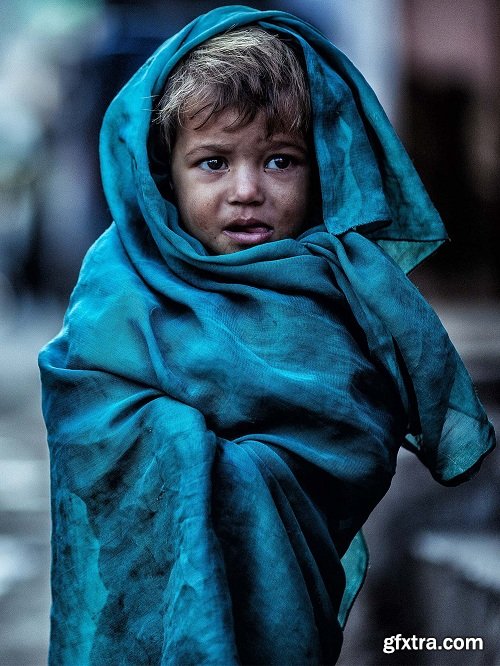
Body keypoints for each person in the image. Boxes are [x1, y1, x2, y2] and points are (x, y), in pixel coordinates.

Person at [39, 6, 495, 665]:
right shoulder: (123, 286)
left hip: (288, 593)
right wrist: (176, 443)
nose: (248, 190)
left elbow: (356, 437)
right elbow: (85, 415)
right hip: (144, 599)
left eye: (281, 160)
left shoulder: (345, 290)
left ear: (323, 171)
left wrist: (241, 472)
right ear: (167, 174)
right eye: (214, 163)